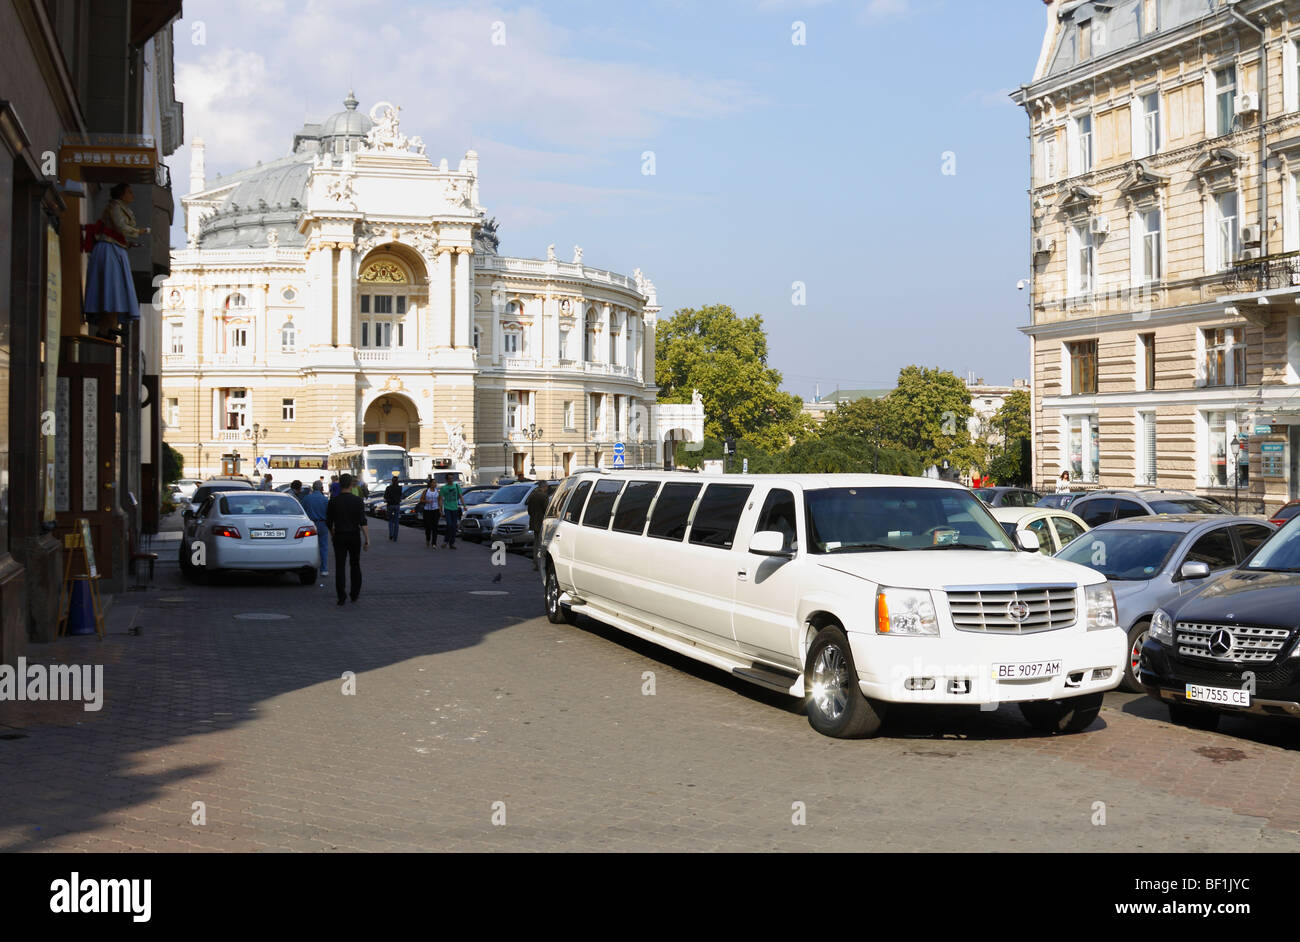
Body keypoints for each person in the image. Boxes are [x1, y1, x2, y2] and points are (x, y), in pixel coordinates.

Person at [83, 182, 149, 339]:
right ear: (122, 194)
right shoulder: (115, 207)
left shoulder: (121, 208)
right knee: (110, 288)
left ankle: (109, 326)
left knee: (114, 290)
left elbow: (119, 230)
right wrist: (139, 231)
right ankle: (106, 327)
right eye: (129, 192)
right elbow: (121, 227)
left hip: (116, 249)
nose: (132, 195)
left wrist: (129, 241)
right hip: (109, 249)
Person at [326, 472, 369, 605]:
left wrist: (333, 533)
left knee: (340, 566)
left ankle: (341, 596)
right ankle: (354, 594)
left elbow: (328, 521)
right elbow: (362, 521)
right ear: (351, 484)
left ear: (339, 485)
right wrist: (367, 539)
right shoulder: (357, 501)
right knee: (355, 564)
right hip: (354, 536)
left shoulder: (333, 501)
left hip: (339, 536)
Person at [303, 480, 330, 577]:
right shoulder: (325, 499)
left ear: (313, 488)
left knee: (308, 546)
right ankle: (324, 569)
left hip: (309, 525)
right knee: (323, 547)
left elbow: (302, 512)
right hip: (322, 524)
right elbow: (329, 513)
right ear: (321, 488)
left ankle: (309, 568)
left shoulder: (307, 498)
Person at [526, 481, 551, 571]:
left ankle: (535, 563)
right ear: (543, 487)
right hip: (542, 523)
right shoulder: (544, 496)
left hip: (533, 522)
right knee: (542, 544)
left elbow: (529, 510)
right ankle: (541, 564)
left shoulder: (532, 495)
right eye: (547, 487)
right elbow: (547, 511)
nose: (547, 488)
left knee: (536, 543)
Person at [439, 476, 465, 548]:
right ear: (446, 479)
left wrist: (464, 506)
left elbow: (460, 496)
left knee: (454, 526)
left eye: (452, 478)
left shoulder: (456, 486)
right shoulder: (444, 488)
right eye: (449, 478)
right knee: (449, 524)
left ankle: (452, 543)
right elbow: (440, 499)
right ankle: (446, 541)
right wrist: (440, 509)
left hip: (455, 508)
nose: (451, 480)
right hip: (447, 508)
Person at [419, 476, 440, 548]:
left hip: (435, 510)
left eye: (435, 483)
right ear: (430, 484)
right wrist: (426, 501)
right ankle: (428, 539)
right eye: (433, 483)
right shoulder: (426, 491)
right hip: (427, 511)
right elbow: (421, 500)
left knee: (435, 527)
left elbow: (440, 501)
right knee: (428, 527)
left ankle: (434, 543)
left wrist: (441, 510)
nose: (435, 484)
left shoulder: (437, 491)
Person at [383, 472, 404, 542]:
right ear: (397, 481)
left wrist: (388, 500)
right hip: (397, 505)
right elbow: (401, 496)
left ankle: (391, 534)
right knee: (396, 521)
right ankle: (395, 537)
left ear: (392, 481)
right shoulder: (400, 488)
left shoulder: (388, 488)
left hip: (390, 505)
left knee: (390, 521)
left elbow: (385, 496)